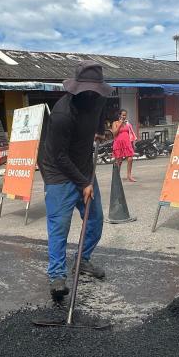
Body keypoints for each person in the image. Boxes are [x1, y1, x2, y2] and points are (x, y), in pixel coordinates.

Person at [41, 60, 111, 299]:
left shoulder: (99, 99)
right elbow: (59, 157)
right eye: (86, 91)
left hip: (83, 167)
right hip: (58, 173)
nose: (91, 95)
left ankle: (83, 260)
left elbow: (101, 110)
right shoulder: (62, 114)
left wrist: (100, 129)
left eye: (95, 91)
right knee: (59, 226)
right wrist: (83, 183)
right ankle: (57, 276)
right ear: (76, 88)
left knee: (95, 219)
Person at [111, 109, 137, 181]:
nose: (124, 116)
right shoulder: (115, 123)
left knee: (130, 159)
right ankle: (117, 177)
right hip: (118, 143)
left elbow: (130, 133)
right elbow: (114, 133)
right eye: (123, 115)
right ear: (119, 115)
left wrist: (132, 143)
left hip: (127, 143)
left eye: (125, 115)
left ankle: (129, 176)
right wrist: (120, 124)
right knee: (119, 161)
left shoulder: (127, 124)